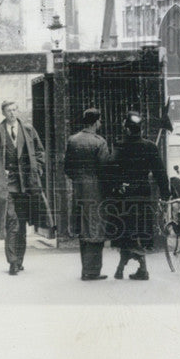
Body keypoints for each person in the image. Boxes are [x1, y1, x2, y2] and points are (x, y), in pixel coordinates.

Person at [0, 100, 46, 275]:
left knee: (23, 223)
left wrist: (38, 168)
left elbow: (40, 152)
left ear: (17, 111)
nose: (12, 113)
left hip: (26, 185)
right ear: (3, 113)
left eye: (14, 109)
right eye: (8, 110)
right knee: (12, 222)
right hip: (7, 186)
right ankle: (12, 261)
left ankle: (19, 259)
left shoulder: (28, 130)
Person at [109, 111, 169, 280]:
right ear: (140, 128)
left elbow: (111, 169)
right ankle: (137, 268)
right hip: (143, 192)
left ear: (126, 128)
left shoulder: (119, 145)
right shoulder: (150, 146)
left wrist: (114, 186)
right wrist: (165, 193)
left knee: (126, 230)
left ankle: (126, 267)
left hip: (125, 194)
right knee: (139, 230)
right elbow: (160, 172)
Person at [63, 107, 110, 281]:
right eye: (100, 120)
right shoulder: (100, 142)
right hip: (95, 188)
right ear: (96, 122)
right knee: (95, 227)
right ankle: (93, 271)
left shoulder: (72, 140)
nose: (101, 123)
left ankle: (85, 268)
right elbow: (105, 169)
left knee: (83, 227)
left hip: (78, 188)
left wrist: (78, 179)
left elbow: (67, 167)